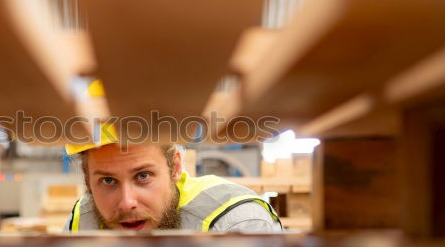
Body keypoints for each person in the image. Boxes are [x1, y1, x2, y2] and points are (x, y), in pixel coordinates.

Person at [61, 84, 282, 233]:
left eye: (143, 176)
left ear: (175, 166)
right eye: (108, 181)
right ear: (86, 179)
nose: (127, 202)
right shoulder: (84, 220)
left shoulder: (237, 222)